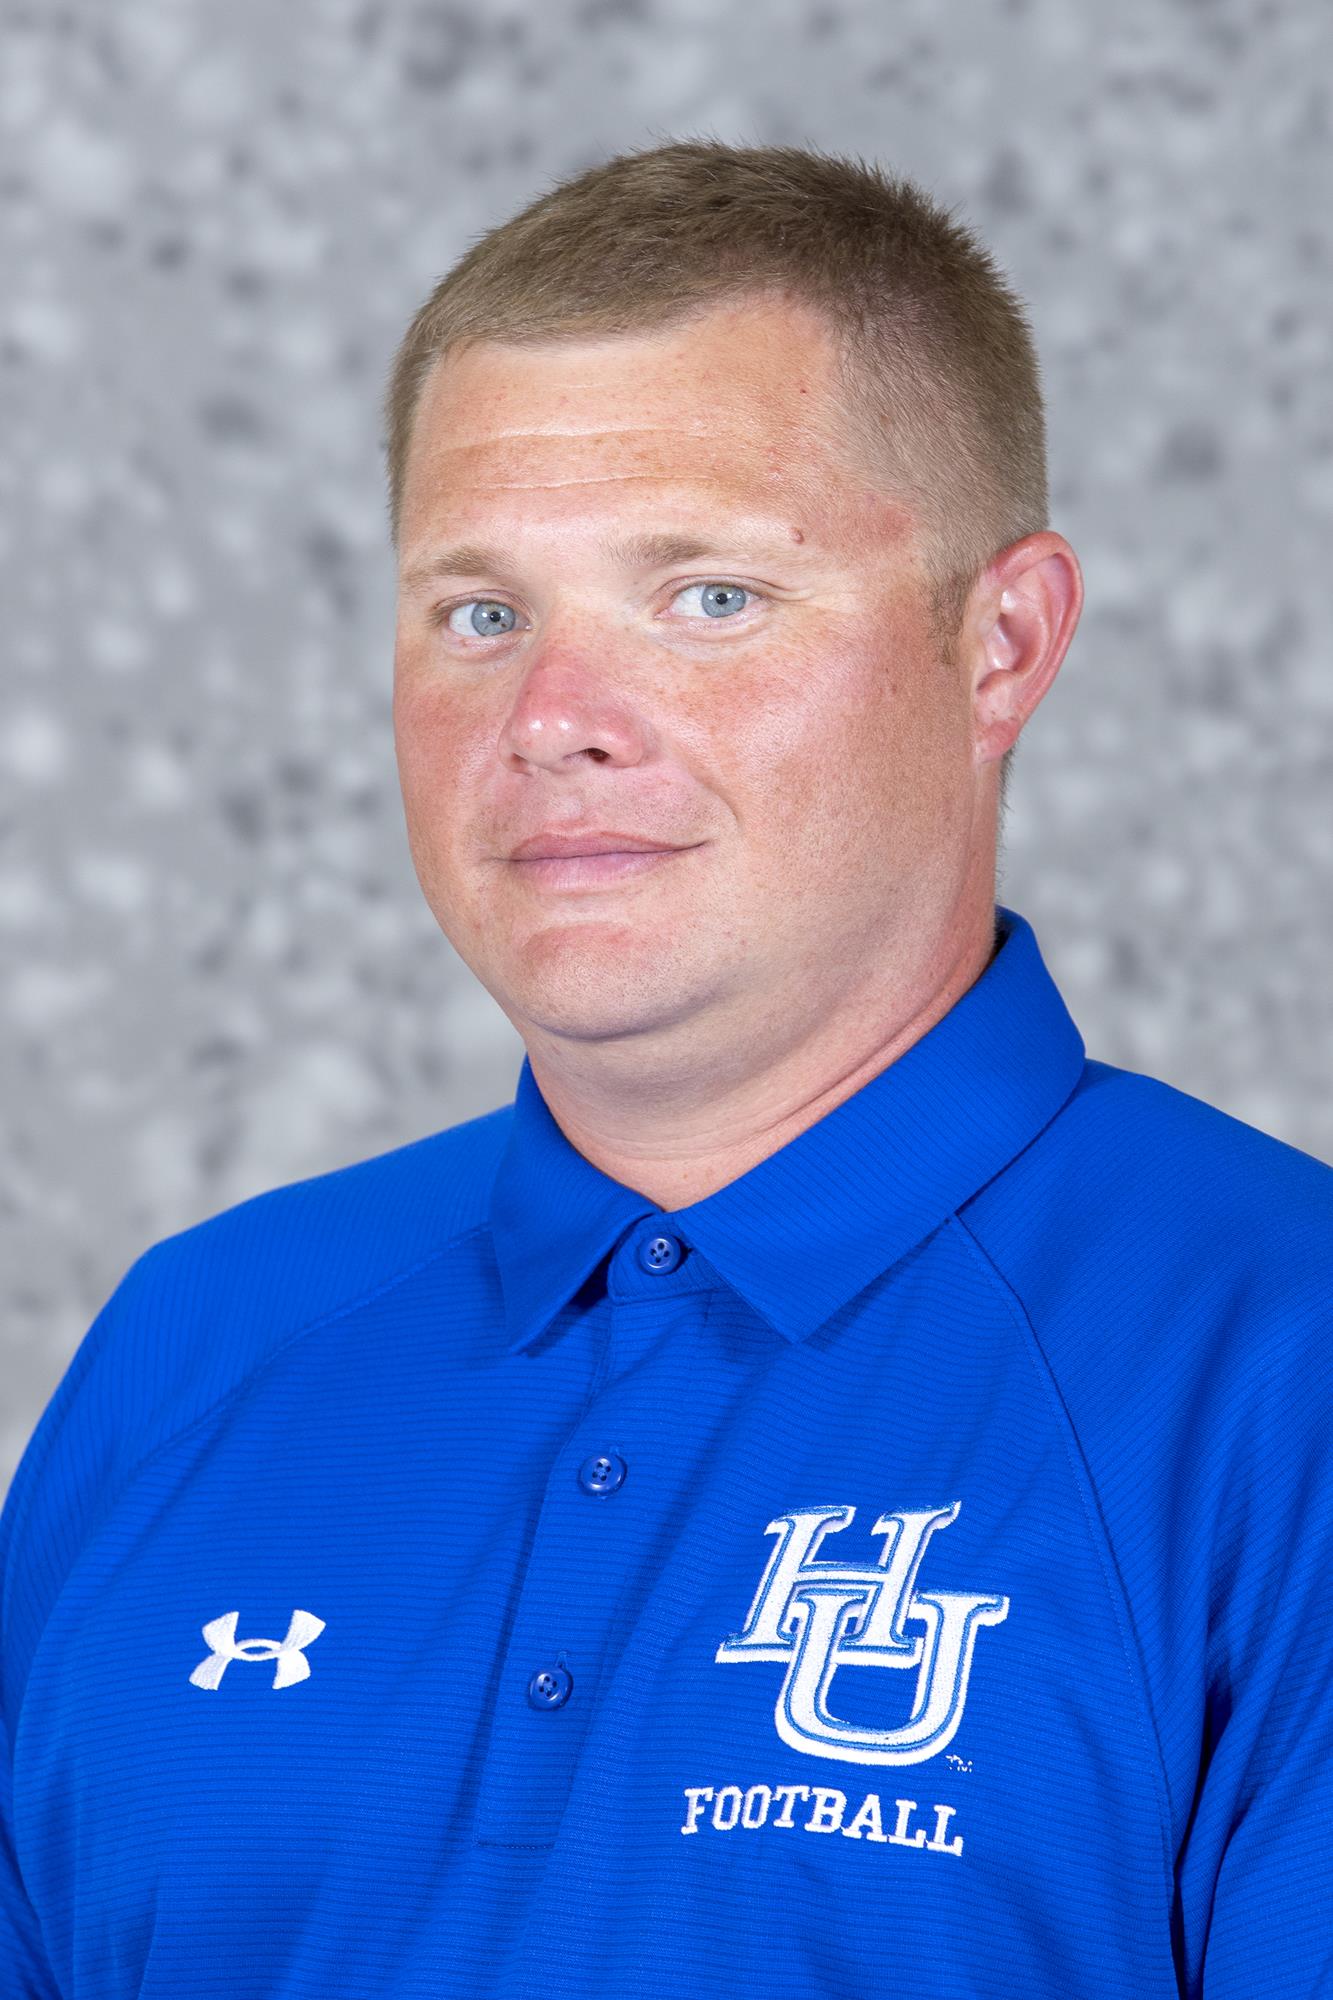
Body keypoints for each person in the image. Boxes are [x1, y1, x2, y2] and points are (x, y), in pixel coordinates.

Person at [2, 140, 1329, 2000]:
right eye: (481, 612)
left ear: (1000, 643)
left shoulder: (1277, 1372)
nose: (552, 723)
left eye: (706, 596)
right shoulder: (194, 1347)